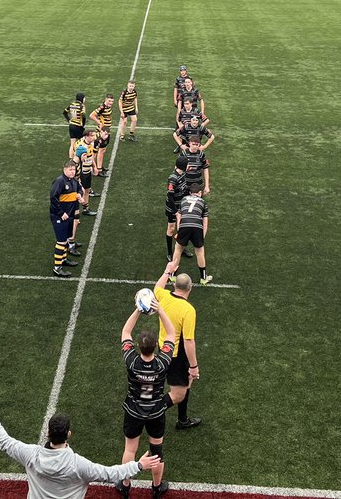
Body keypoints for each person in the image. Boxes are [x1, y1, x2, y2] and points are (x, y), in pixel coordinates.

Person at [0, 397, 159, 499]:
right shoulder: (78, 465)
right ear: (68, 434)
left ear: (48, 433)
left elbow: (3, 441)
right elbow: (110, 474)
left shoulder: (30, 455)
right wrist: (139, 465)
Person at [118, 285, 178, 498]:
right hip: (155, 412)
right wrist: (159, 309)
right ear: (155, 347)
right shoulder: (162, 362)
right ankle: (157, 487)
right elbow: (172, 333)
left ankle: (125, 485)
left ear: (138, 346)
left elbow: (125, 332)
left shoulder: (132, 361)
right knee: (156, 451)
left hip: (134, 410)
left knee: (130, 450)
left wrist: (138, 309)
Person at [153, 266, 202, 430]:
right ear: (191, 288)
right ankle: (150, 412)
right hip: (177, 356)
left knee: (186, 383)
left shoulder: (164, 296)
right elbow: (188, 341)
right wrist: (194, 366)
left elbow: (157, 288)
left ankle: (182, 419)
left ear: (174, 286)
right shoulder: (188, 310)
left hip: (163, 349)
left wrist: (167, 271)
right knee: (178, 394)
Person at [170, 189, 212, 284]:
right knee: (200, 252)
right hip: (197, 227)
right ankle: (203, 278)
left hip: (184, 225)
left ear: (190, 193)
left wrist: (179, 230)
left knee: (178, 249)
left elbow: (179, 216)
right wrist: (203, 236)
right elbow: (205, 221)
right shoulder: (203, 202)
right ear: (200, 193)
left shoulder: (184, 199)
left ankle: (172, 276)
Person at [49, 158, 81, 277]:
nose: (72, 172)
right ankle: (57, 268)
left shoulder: (73, 180)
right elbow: (53, 199)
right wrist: (61, 213)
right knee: (61, 241)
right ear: (65, 169)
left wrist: (79, 195)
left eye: (74, 169)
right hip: (59, 216)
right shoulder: (59, 181)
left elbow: (79, 189)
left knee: (67, 239)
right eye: (70, 169)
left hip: (69, 216)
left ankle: (63, 259)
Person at [163, 167, 191, 264]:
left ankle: (181, 249)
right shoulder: (172, 178)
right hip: (173, 208)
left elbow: (185, 188)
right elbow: (169, 196)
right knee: (171, 228)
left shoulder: (183, 174)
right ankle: (170, 253)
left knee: (182, 228)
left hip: (181, 206)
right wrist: (175, 211)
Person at [73, 130, 98, 220]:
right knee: (78, 193)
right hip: (81, 172)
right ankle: (75, 215)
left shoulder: (91, 143)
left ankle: (85, 209)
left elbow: (91, 156)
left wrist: (94, 167)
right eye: (92, 136)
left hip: (87, 171)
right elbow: (76, 158)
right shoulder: (80, 145)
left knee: (86, 191)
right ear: (87, 136)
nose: (94, 138)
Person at [90, 94, 115, 176]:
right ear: (105, 100)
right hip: (102, 133)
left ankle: (99, 166)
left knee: (103, 151)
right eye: (109, 101)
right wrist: (100, 123)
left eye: (112, 101)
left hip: (106, 132)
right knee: (99, 151)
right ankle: (98, 169)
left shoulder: (108, 107)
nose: (111, 102)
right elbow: (92, 115)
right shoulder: (102, 107)